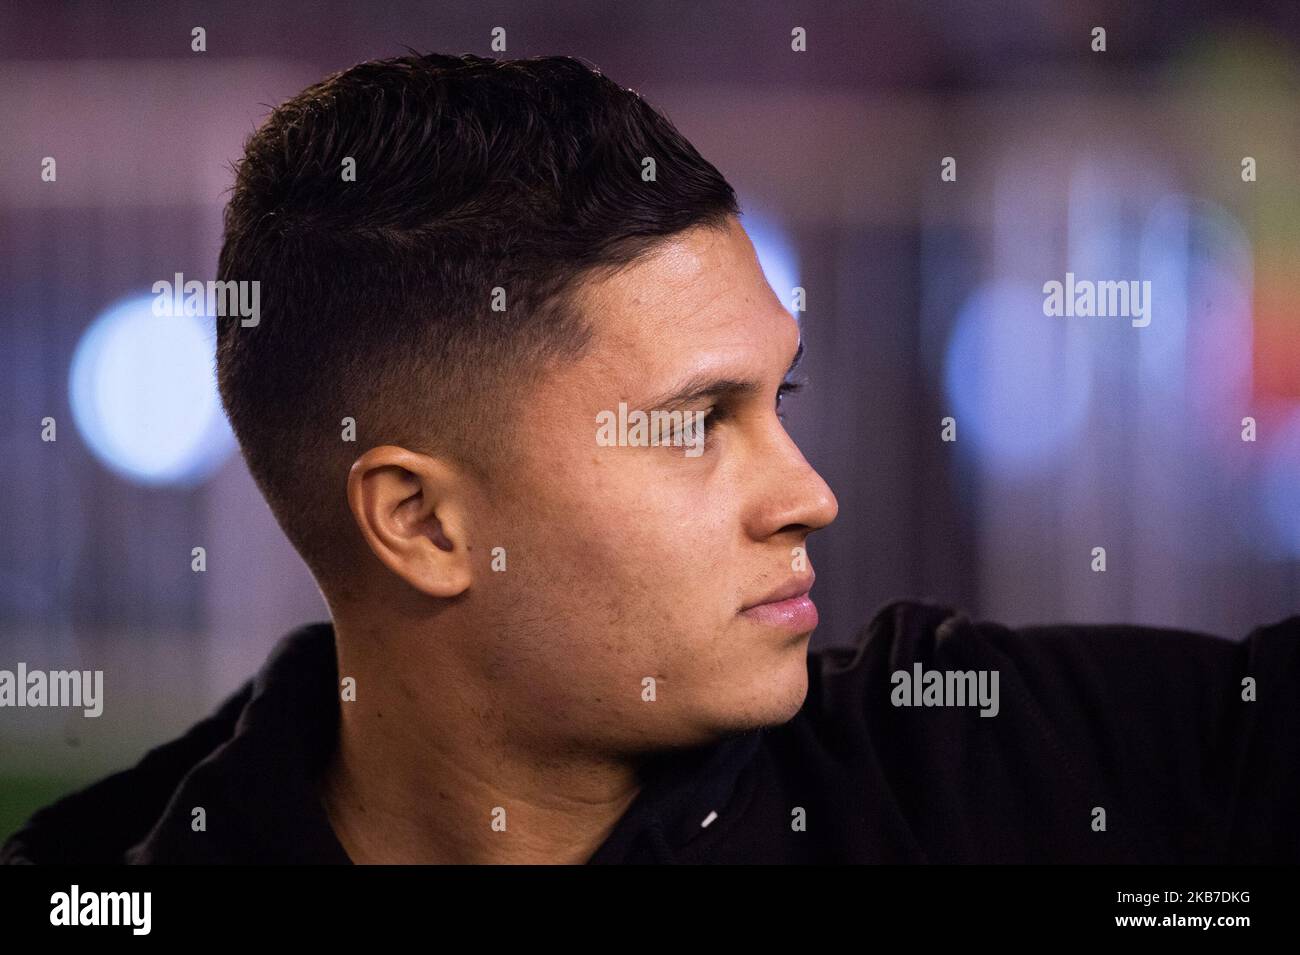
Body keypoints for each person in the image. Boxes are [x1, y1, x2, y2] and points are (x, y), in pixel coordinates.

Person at [3, 52, 1297, 865]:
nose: (809, 492)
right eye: (695, 423)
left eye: (777, 398)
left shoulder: (991, 773)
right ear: (421, 523)